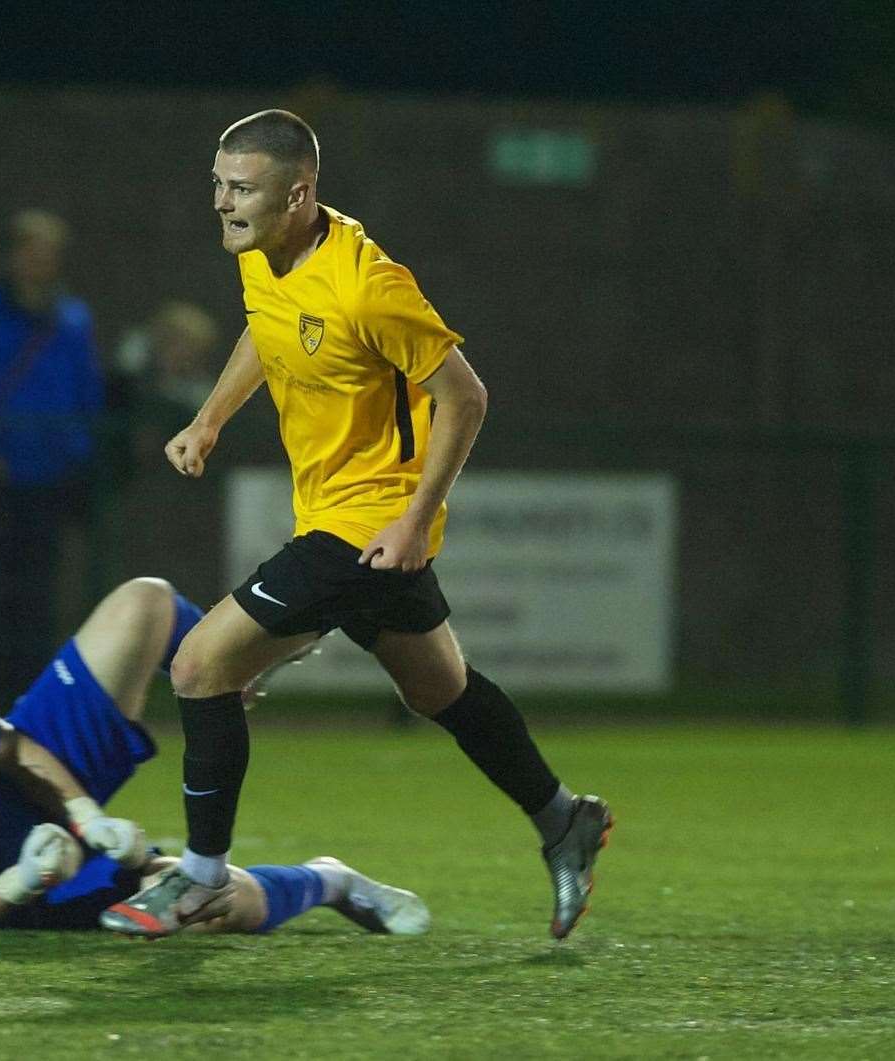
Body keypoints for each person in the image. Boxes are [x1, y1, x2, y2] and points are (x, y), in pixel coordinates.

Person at [100, 110, 613, 941]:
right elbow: (266, 334)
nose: (222, 204)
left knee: (198, 666)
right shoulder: (264, 255)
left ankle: (196, 877)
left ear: (298, 193)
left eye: (242, 189)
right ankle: (563, 817)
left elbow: (465, 397)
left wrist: (414, 521)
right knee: (438, 689)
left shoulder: (368, 284)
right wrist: (210, 419)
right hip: (343, 520)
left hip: (368, 524)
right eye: (217, 185)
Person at [0, 576, 429, 936]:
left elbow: (10, 747)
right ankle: (331, 881)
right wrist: (23, 881)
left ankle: (232, 666)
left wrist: (84, 814)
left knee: (142, 603)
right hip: (23, 889)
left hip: (36, 785)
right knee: (202, 904)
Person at [0, 208, 105, 707]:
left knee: (41, 590)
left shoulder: (72, 319)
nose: (40, 262)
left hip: (49, 476)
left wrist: (72, 456)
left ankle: (31, 690)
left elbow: (85, 396)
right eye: (32, 250)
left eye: (49, 253)